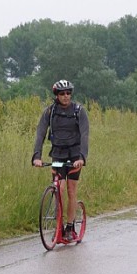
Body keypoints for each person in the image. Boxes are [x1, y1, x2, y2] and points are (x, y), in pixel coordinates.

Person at [32, 80, 90, 242]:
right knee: (59, 190)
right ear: (56, 95)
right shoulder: (49, 112)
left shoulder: (79, 111)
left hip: (74, 156)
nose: (66, 96)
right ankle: (58, 227)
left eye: (68, 93)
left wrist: (82, 158)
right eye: (62, 94)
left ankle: (70, 227)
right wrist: (37, 156)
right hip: (57, 154)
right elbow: (40, 134)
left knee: (71, 191)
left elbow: (85, 135)